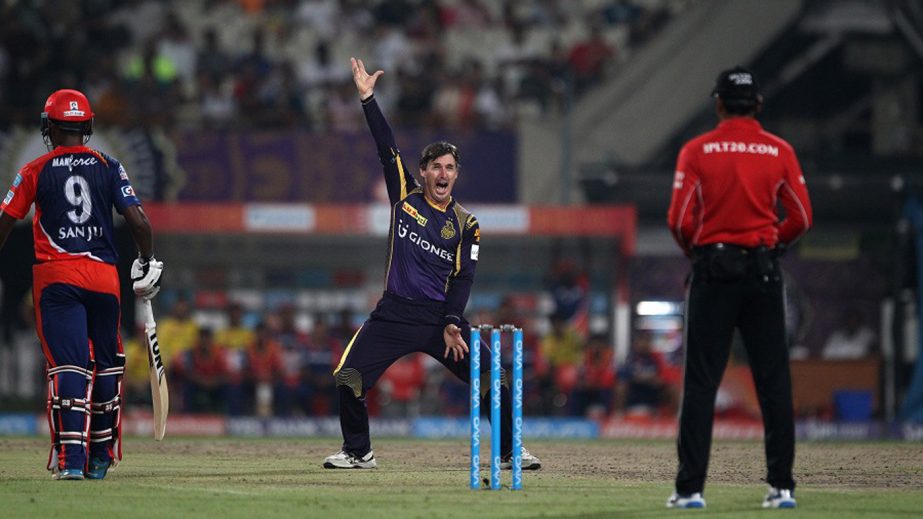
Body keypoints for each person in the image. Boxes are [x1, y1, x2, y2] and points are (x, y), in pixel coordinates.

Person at [323, 58, 541, 470]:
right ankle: (358, 452)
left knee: (496, 379)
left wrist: (453, 320)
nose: (443, 174)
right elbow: (386, 149)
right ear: (423, 172)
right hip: (392, 314)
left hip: (441, 320)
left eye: (450, 168)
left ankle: (512, 451)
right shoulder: (405, 196)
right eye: (436, 167)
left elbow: (464, 277)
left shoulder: (467, 224)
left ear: (456, 175)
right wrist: (368, 99)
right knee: (347, 377)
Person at [665, 66, 812, 509]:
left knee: (701, 383)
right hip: (763, 272)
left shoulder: (697, 149)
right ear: (759, 105)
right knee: (773, 382)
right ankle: (781, 487)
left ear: (718, 104)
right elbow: (802, 217)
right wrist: (771, 246)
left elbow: (678, 219)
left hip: (714, 272)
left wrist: (700, 253)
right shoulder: (780, 150)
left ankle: (690, 491)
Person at [0, 89, 163, 480]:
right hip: (104, 278)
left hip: (58, 277)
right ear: (86, 126)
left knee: (69, 365)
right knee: (107, 366)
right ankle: (100, 459)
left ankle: (72, 463)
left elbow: (5, 222)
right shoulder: (109, 165)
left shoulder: (34, 170)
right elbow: (139, 223)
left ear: (50, 128)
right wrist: (145, 263)